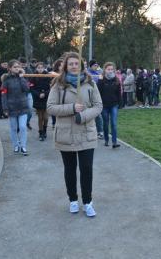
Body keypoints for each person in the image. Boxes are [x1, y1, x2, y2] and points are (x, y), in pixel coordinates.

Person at [47, 52, 102, 217]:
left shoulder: (90, 83)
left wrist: (83, 115)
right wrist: (72, 108)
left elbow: (98, 106)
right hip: (66, 134)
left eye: (76, 64)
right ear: (65, 66)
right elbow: (50, 108)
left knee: (87, 169)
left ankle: (87, 202)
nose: (73, 66)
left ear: (81, 66)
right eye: (70, 64)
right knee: (70, 169)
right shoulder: (58, 84)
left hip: (86, 132)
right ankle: (72, 200)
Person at [1, 60, 30, 156]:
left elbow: (26, 89)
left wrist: (22, 78)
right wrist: (5, 108)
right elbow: (4, 95)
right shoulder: (6, 80)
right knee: (14, 128)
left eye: (18, 67)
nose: (17, 68)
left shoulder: (22, 78)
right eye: (15, 67)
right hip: (11, 107)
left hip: (23, 107)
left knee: (22, 127)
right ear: (9, 68)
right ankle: (15, 145)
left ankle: (23, 146)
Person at [97, 62, 121, 148]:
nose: (110, 71)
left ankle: (114, 142)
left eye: (111, 69)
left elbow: (118, 93)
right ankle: (106, 140)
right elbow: (98, 92)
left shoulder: (116, 80)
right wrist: (100, 80)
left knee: (114, 123)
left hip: (114, 105)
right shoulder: (102, 80)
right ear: (105, 70)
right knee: (106, 123)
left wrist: (119, 103)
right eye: (108, 69)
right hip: (104, 106)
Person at [30, 62, 51, 141]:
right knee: (40, 117)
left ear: (44, 68)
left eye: (41, 68)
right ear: (36, 68)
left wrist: (45, 94)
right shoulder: (33, 76)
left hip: (46, 98)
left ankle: (45, 130)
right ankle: (41, 132)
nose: (40, 69)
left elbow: (51, 87)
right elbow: (31, 88)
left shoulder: (48, 75)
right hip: (38, 98)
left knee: (45, 117)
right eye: (38, 68)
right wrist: (38, 94)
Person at [88, 60, 104, 139]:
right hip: (87, 97)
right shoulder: (87, 73)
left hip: (96, 97)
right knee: (88, 115)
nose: (96, 67)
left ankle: (100, 131)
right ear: (90, 66)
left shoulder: (98, 74)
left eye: (97, 65)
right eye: (95, 65)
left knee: (98, 114)